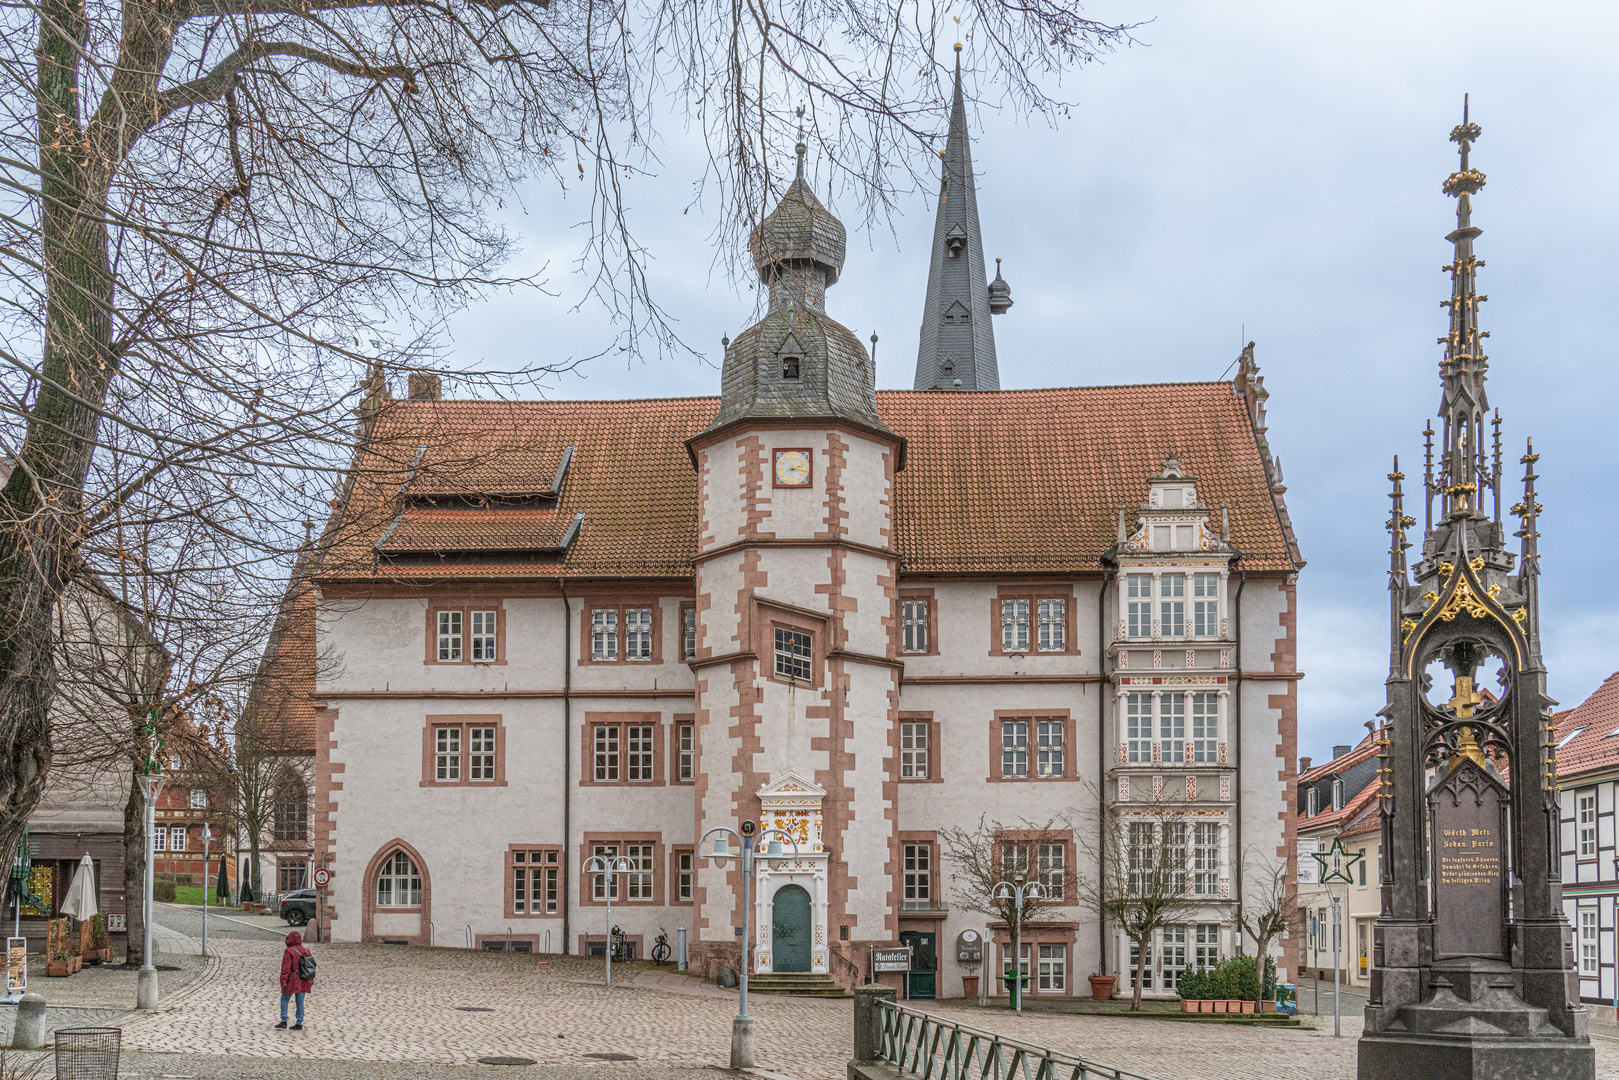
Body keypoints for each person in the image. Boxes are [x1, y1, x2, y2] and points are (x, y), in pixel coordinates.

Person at [277, 930, 314, 1029]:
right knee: (300, 1001)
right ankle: (299, 1022)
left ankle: (284, 1020)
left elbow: (286, 967)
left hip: (292, 979)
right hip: (304, 978)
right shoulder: (306, 951)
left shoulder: (289, 951)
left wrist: (283, 980)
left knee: (284, 998)